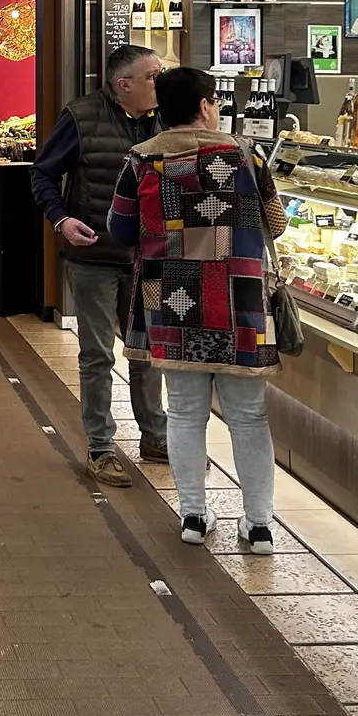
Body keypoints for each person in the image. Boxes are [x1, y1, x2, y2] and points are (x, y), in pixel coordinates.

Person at [106, 66, 287, 555]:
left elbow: (121, 229)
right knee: (249, 417)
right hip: (238, 299)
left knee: (184, 414)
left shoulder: (143, 160)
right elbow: (277, 223)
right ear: (208, 105)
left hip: (171, 298)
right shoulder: (245, 155)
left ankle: (192, 515)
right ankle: (259, 525)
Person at [30, 45, 168, 486]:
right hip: (94, 254)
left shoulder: (167, 120)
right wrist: (62, 220)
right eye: (152, 76)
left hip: (148, 258)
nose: (159, 83)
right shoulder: (81, 115)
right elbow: (43, 174)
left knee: (147, 351)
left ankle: (155, 437)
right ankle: (101, 447)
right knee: (95, 355)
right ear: (123, 83)